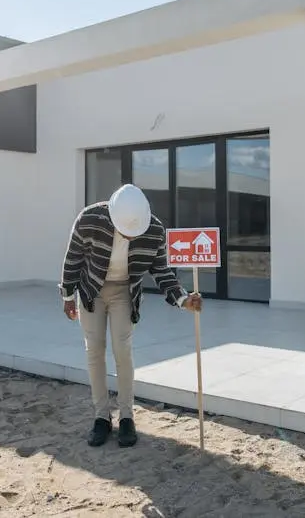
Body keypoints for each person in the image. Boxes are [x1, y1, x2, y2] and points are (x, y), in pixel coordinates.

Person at [59, 184, 202, 448]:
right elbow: (73, 258)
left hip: (125, 290)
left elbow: (162, 271)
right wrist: (67, 296)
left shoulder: (155, 230)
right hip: (91, 289)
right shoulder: (89, 218)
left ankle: (126, 416)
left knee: (122, 349)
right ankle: (101, 417)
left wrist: (182, 299)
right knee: (95, 351)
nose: (130, 235)